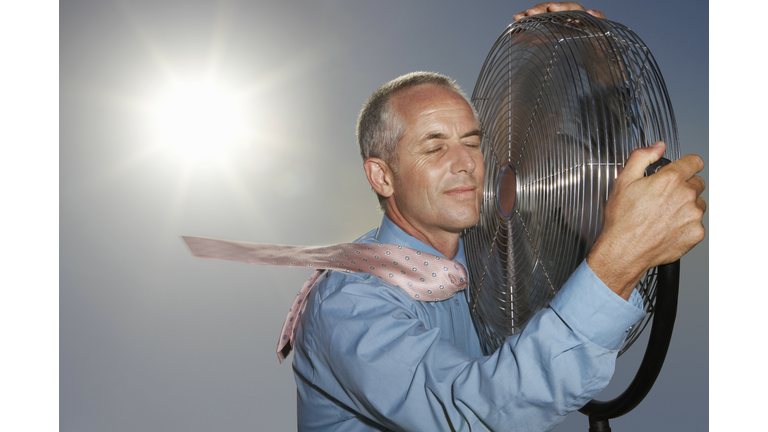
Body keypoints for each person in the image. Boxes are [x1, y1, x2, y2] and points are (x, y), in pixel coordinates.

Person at [290, 3, 707, 431]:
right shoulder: (349, 302)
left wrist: (588, 58)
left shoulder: (488, 257)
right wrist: (624, 255)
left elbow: (550, 155)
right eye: (434, 147)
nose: (465, 163)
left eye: (472, 143)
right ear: (382, 176)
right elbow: (474, 413)